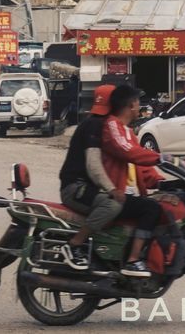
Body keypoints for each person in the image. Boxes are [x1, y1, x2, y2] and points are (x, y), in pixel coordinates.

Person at [101, 84, 166, 278]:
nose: (140, 107)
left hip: (131, 194)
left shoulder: (129, 132)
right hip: (115, 195)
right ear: (131, 105)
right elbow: (128, 152)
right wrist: (161, 157)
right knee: (151, 209)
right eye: (138, 103)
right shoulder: (111, 125)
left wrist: (164, 182)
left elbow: (142, 169)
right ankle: (133, 260)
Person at [57, 84, 121, 270]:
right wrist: (112, 189)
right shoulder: (95, 126)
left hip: (82, 187)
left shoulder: (93, 122)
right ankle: (75, 244)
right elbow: (93, 165)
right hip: (75, 188)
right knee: (112, 204)